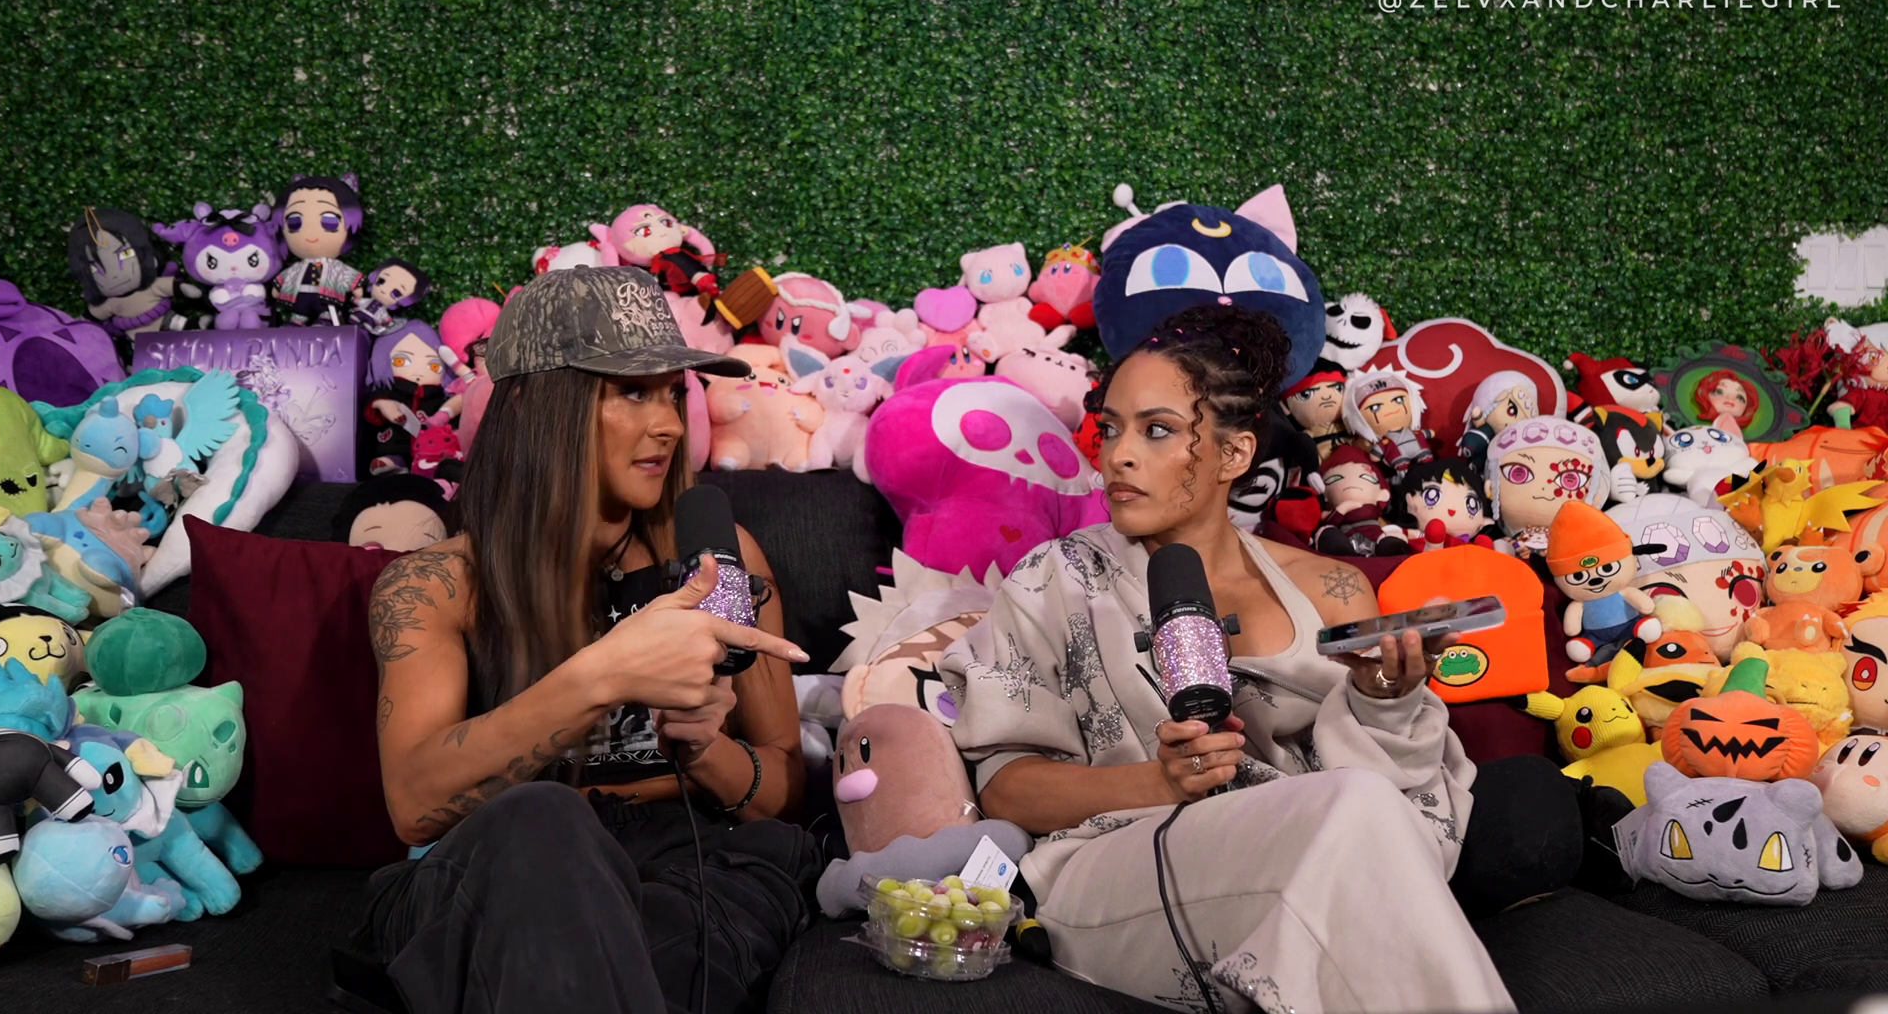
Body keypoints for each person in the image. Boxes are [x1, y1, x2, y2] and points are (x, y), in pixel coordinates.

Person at [942, 305, 1516, 1013]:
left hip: (1316, 854)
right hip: (1112, 875)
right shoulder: (1053, 578)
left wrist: (1384, 699)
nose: (1118, 455)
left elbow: (1390, 785)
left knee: (1361, 821)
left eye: (1156, 430)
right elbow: (1006, 787)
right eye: (1110, 429)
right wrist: (1159, 780)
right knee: (1353, 815)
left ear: (1235, 454)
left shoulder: (1329, 587)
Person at [359, 266, 819, 1014]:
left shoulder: (718, 560)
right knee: (544, 820)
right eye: (633, 392)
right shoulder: (435, 586)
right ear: (535, 406)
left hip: (688, 865)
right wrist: (604, 675)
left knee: (650, 939)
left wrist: (706, 748)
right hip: (499, 872)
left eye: (674, 393)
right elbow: (415, 805)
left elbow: (784, 794)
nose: (670, 425)